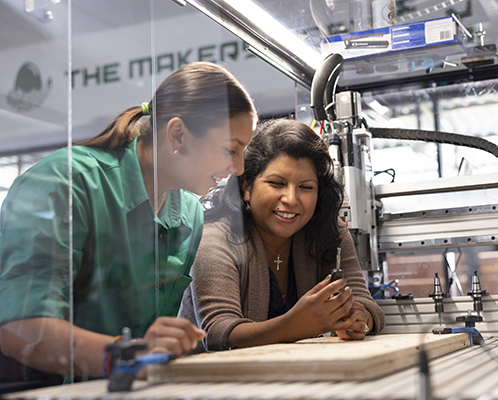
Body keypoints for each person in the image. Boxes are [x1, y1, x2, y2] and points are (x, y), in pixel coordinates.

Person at [0, 62, 257, 383]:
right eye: (231, 149)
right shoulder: (64, 184)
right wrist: (127, 354)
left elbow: (148, 341)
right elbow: (19, 327)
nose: (238, 166)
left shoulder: (189, 212)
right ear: (177, 134)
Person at [179, 118, 385, 352]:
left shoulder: (328, 230)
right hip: (209, 382)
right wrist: (295, 325)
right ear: (246, 186)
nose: (291, 199)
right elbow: (217, 333)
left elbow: (366, 304)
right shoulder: (214, 238)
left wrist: (357, 320)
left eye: (306, 187)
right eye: (277, 183)